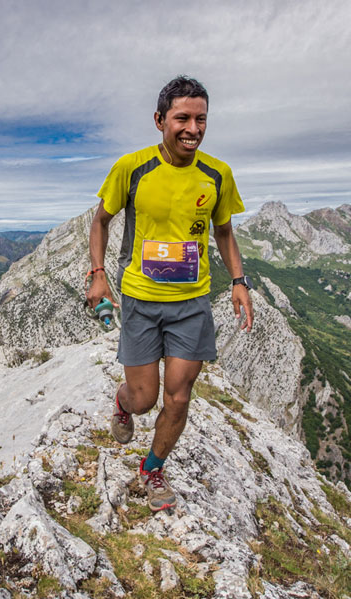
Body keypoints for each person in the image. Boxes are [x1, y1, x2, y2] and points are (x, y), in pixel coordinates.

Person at [86, 75, 254, 512]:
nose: (192, 129)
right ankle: (122, 404)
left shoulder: (218, 174)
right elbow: (100, 222)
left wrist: (239, 281)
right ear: (160, 120)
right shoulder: (132, 168)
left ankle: (152, 470)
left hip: (192, 303)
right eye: (182, 118)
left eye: (201, 120)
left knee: (179, 396)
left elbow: (224, 231)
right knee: (145, 399)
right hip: (141, 300)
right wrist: (98, 274)